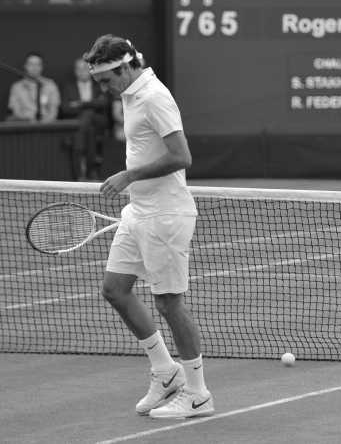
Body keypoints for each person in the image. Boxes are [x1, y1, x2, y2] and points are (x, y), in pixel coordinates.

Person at [84, 34, 213, 419]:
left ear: (125, 67)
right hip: (137, 211)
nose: (104, 89)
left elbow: (182, 156)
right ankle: (165, 371)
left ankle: (198, 393)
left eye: (107, 79)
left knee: (169, 303)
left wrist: (129, 175)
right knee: (115, 289)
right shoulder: (129, 92)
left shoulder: (154, 97)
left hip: (165, 216)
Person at [61, 58, 111, 181]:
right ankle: (91, 171)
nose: (81, 71)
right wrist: (90, 106)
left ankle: (78, 150)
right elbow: (65, 109)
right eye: (78, 68)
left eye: (84, 68)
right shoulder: (68, 87)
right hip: (80, 123)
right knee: (89, 128)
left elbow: (103, 103)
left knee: (88, 116)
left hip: (99, 121)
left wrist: (81, 104)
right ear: (74, 71)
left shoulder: (100, 84)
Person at [6, 53, 60, 122]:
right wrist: (30, 119)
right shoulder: (16, 87)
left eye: (38, 64)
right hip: (24, 125)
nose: (34, 67)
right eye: (31, 64)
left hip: (46, 125)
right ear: (25, 66)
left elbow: (53, 112)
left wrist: (44, 121)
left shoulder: (51, 85)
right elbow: (16, 113)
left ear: (42, 66)